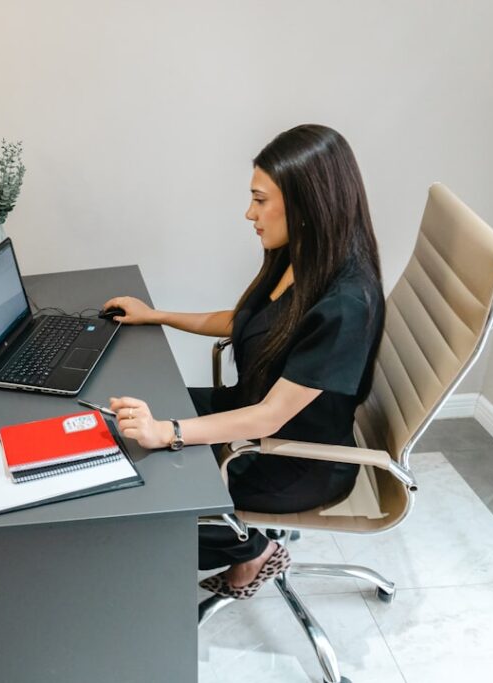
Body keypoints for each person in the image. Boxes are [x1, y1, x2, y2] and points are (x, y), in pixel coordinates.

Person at [102, 124, 384, 599]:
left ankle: (251, 549)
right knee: (120, 424)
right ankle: (243, 547)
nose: (249, 213)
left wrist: (168, 432)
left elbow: (271, 416)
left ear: (306, 205)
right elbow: (247, 320)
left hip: (290, 459)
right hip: (247, 416)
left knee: (141, 504)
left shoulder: (345, 304)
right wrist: (157, 315)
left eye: (260, 200)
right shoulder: (297, 254)